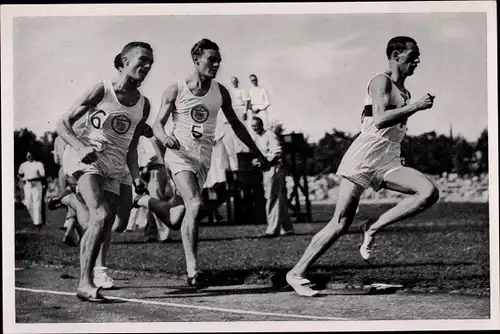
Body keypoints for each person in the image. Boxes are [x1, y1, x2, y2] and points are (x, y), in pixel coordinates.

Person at [286, 36, 439, 297]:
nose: (417, 60)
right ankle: (296, 272)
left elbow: (393, 129)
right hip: (364, 157)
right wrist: (415, 107)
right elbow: (379, 120)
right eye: (412, 55)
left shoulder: (405, 92)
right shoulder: (381, 81)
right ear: (395, 55)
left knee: (428, 192)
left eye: (418, 56)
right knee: (340, 222)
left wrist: (410, 106)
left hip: (388, 159)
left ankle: (373, 226)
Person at [133, 38, 270, 288]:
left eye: (219, 60)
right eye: (211, 59)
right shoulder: (176, 89)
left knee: (176, 219)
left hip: (202, 160)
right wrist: (166, 138)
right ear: (196, 60)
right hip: (179, 156)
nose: (216, 64)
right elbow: (157, 126)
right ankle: (193, 271)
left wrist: (257, 153)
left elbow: (237, 125)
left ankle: (143, 200)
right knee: (195, 203)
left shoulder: (221, 92)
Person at [56, 41, 154, 302]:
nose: (146, 66)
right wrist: (79, 146)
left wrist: (135, 176)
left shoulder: (144, 105)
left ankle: (73, 204)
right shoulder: (103, 89)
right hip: (88, 158)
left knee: (110, 224)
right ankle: (84, 283)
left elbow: (132, 147)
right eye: (142, 60)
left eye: (150, 63)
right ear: (123, 62)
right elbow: (62, 123)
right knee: (100, 215)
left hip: (116, 165)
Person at [251, 117, 294, 237]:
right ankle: (287, 228)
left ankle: (272, 229)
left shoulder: (270, 135)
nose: (255, 128)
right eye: (253, 126)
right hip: (267, 169)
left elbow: (277, 152)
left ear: (261, 124)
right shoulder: (258, 138)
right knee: (277, 198)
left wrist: (266, 162)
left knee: (272, 198)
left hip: (274, 169)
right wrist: (257, 161)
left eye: (256, 125)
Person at [17, 152, 46, 227]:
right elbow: (19, 174)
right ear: (26, 156)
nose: (29, 157)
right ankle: (35, 220)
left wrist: (34, 179)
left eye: (31, 155)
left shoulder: (38, 164)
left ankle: (37, 223)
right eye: (28, 156)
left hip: (36, 184)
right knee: (28, 204)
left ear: (34, 155)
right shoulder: (23, 165)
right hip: (27, 185)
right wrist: (22, 180)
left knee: (37, 203)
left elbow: (43, 175)